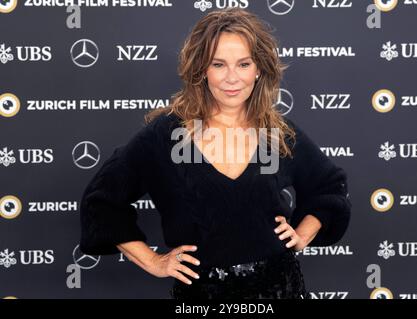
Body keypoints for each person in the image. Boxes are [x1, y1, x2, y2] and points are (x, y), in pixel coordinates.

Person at [79, 8, 351, 299]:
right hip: (202, 297)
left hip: (279, 290)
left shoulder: (275, 133)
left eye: (244, 64)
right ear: (201, 70)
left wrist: (303, 234)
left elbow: (329, 187)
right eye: (218, 64)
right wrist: (154, 261)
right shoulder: (169, 135)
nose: (232, 78)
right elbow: (102, 203)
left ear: (259, 69)